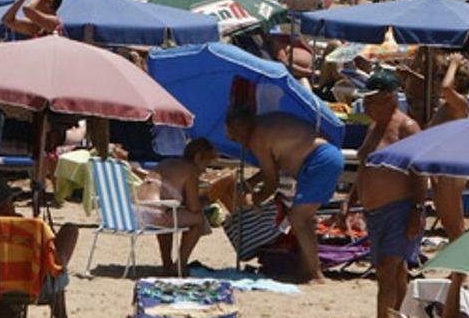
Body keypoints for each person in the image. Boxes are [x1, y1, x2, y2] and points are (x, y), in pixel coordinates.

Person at [226, 106, 343, 284]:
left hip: (318, 161)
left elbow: (272, 183)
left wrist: (255, 200)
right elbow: (275, 166)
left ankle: (316, 274)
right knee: (306, 220)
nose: (233, 139)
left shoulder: (257, 138)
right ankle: (305, 270)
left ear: (240, 129)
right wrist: (252, 183)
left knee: (299, 218)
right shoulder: (267, 123)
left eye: (234, 135)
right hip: (323, 158)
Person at [348, 71, 424, 318]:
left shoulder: (407, 127)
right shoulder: (373, 126)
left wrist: (416, 210)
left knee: (385, 271)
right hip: (374, 213)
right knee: (397, 271)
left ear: (390, 98)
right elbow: (364, 167)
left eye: (372, 100)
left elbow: (419, 172)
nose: (366, 106)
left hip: (400, 209)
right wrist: (350, 200)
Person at [136, 138, 218, 275]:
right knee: (198, 219)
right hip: (155, 214)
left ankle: (167, 263)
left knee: (169, 215)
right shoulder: (190, 169)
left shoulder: (166, 162)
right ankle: (180, 264)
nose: (205, 169)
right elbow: (194, 208)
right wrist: (208, 199)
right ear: (198, 157)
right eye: (207, 162)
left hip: (138, 211)